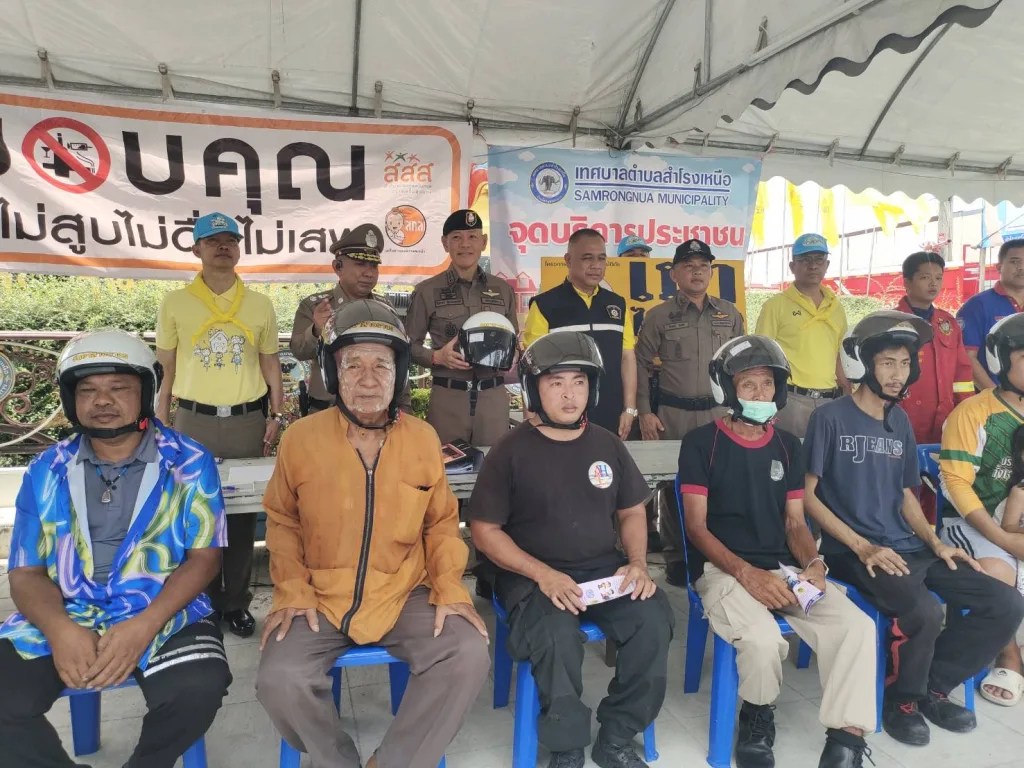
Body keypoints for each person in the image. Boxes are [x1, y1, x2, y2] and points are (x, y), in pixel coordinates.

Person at [256, 300, 490, 768]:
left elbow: (441, 523)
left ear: (399, 373)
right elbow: (282, 521)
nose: (367, 379)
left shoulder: (423, 438)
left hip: (404, 591)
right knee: (280, 679)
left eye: (381, 365)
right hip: (319, 594)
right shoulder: (301, 438)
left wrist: (449, 588)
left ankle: (392, 762)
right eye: (353, 365)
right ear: (332, 372)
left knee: (466, 652)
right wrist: (292, 590)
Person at [0, 330, 231, 768]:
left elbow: (205, 559)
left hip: (164, 611)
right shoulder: (46, 469)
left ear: (146, 392)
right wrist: (60, 630)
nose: (102, 401)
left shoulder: (189, 461)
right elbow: (26, 572)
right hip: (69, 610)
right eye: (88, 390)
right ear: (71, 399)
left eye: (119, 387)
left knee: (198, 688)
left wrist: (143, 625)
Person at [803, 310, 1024, 747]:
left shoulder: (899, 421)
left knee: (1003, 602)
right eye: (887, 362)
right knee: (923, 612)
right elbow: (808, 496)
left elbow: (906, 494)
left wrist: (936, 543)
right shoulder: (829, 418)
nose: (897, 374)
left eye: (905, 363)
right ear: (863, 363)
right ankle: (900, 699)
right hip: (852, 553)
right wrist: (862, 546)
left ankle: (932, 687)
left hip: (908, 547)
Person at [469, 332, 674, 768]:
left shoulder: (607, 443)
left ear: (591, 388)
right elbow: (484, 532)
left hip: (601, 570)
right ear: (534, 389)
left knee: (653, 619)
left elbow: (632, 512)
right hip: (530, 578)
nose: (569, 394)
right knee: (557, 637)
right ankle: (566, 746)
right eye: (555, 382)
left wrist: (638, 564)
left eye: (579, 382)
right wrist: (543, 574)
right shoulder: (510, 451)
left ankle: (617, 736)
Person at [680, 334, 876, 768]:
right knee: (763, 640)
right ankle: (757, 714)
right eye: (748, 384)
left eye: (767, 383)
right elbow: (696, 527)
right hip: (723, 570)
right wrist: (746, 573)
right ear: (727, 389)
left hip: (782, 570)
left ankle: (846, 738)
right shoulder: (700, 444)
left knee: (856, 626)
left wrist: (814, 564)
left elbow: (794, 522)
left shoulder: (788, 445)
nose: (760, 393)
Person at [155, 212, 285, 638]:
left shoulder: (259, 304)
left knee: (243, 517)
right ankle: (202, 602)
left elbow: (270, 362)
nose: (223, 246)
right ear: (197, 249)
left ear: (239, 248)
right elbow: (166, 369)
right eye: (213, 241)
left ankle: (236, 602)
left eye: (230, 239)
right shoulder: (175, 303)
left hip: (247, 420)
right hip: (194, 422)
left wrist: (276, 414)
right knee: (196, 514)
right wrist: (161, 424)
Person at [635, 238, 744, 586]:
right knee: (674, 485)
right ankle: (677, 555)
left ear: (711, 272)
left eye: (703, 266)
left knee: (722, 481)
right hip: (674, 413)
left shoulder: (730, 313)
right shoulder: (659, 316)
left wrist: (742, 410)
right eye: (689, 266)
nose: (697, 272)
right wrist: (644, 411)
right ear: (674, 274)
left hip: (718, 413)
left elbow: (741, 365)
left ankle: (717, 551)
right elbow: (639, 364)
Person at [939, 313, 1024, 706]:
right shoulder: (973, 412)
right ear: (1001, 361)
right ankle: (1009, 655)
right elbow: (955, 483)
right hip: (972, 524)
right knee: (998, 577)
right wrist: (1004, 539)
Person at [406, 208, 519, 445]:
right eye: (456, 237)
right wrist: (436, 357)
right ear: (445, 243)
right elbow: (407, 346)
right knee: (446, 464)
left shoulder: (503, 290)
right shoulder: (427, 291)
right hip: (448, 399)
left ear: (483, 242)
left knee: (494, 463)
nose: (465, 244)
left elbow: (514, 341)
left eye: (472, 237)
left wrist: (514, 354)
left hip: (493, 399)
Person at [524, 228, 638, 439]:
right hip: (563, 414)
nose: (596, 265)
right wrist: (532, 420)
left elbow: (627, 357)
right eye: (587, 258)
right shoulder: (545, 305)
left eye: (601, 258)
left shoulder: (617, 305)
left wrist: (629, 409)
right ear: (568, 260)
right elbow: (532, 368)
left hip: (612, 413)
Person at [289, 223, 409, 415]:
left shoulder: (385, 308)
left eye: (374, 266)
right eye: (360, 264)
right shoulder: (316, 306)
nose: (369, 273)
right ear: (338, 267)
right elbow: (299, 351)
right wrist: (317, 330)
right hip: (326, 412)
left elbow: (398, 358)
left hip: (375, 413)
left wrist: (404, 407)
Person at [755, 233, 850, 438]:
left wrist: (850, 394)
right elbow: (762, 357)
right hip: (792, 401)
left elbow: (840, 355)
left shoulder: (837, 307)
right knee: (791, 456)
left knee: (826, 456)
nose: (813, 265)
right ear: (792, 266)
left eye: (819, 259)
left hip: (831, 401)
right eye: (805, 260)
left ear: (827, 264)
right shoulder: (775, 306)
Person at [896, 251, 974, 444]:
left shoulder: (948, 323)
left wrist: (966, 409)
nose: (933, 284)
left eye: (938, 278)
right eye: (925, 277)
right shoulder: (892, 322)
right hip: (902, 416)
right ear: (907, 283)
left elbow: (962, 373)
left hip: (945, 419)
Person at [957, 238, 1024, 390]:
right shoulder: (977, 306)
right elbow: (967, 357)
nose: (1022, 267)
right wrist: (996, 396)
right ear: (999, 267)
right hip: (994, 397)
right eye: (1015, 261)